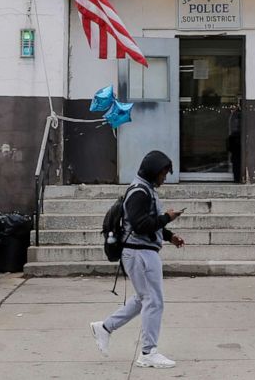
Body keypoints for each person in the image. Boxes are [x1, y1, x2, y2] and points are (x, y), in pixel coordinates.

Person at [91, 150, 185, 369]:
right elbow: (141, 225)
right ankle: (148, 352)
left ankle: (104, 328)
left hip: (142, 251)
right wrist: (166, 218)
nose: (165, 178)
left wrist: (170, 236)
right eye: (163, 173)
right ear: (153, 171)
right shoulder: (139, 192)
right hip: (139, 253)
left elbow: (145, 223)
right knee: (154, 300)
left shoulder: (144, 190)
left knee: (144, 298)